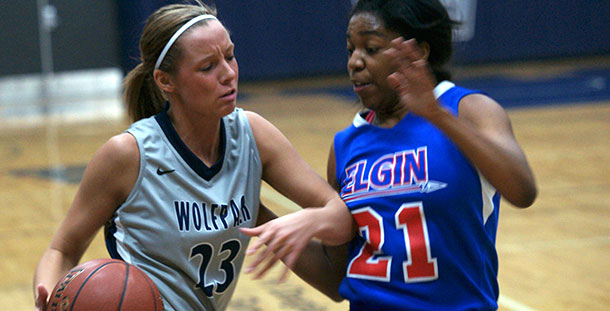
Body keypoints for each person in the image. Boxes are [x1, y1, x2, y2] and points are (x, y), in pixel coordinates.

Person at [32, 2, 353, 311]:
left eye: (230, 56)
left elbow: (339, 220)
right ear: (165, 81)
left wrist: (290, 222)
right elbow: (62, 249)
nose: (228, 73)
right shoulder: (127, 155)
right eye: (208, 67)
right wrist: (48, 295)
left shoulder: (253, 135)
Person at [242, 0, 538, 310]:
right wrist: (258, 212)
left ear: (419, 52)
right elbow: (335, 279)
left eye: (371, 48)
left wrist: (437, 116)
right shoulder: (346, 144)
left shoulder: (469, 110)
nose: (355, 62)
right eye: (350, 50)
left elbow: (522, 190)